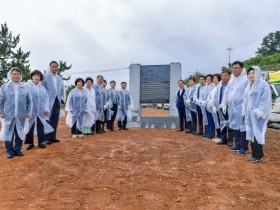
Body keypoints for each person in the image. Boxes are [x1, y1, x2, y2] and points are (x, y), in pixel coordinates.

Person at [0, 67, 32, 158]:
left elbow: (29, 101)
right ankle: (9, 150)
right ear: (10, 75)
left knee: (19, 132)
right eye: (14, 74)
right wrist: (1, 112)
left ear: (20, 76)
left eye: (18, 74)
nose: (16, 76)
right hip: (8, 114)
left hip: (21, 114)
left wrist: (28, 112)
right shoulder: (5, 86)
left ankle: (18, 149)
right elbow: (1, 101)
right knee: (8, 132)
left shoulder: (25, 87)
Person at [242, 66, 271, 162]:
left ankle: (257, 156)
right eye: (249, 73)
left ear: (257, 73)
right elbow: (245, 101)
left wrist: (260, 112)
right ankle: (257, 154)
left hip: (259, 115)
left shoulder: (263, 84)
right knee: (251, 134)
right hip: (250, 116)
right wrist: (244, 112)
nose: (250, 75)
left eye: (253, 73)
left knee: (257, 134)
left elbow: (265, 100)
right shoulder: (248, 86)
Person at [220, 61, 249, 154]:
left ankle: (244, 146)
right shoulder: (231, 80)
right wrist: (224, 104)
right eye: (233, 68)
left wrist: (246, 107)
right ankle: (237, 145)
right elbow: (226, 93)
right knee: (234, 125)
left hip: (242, 106)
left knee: (243, 126)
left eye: (237, 68)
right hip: (232, 107)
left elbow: (248, 93)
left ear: (241, 68)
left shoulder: (246, 79)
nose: (235, 69)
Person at [25, 70, 54, 150]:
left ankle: (41, 142)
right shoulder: (27, 86)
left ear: (40, 78)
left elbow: (46, 98)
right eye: (35, 75)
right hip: (30, 111)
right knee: (30, 126)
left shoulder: (42, 88)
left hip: (40, 111)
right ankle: (30, 143)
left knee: (40, 126)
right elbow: (24, 98)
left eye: (38, 76)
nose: (36, 77)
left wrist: (46, 108)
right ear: (32, 77)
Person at [41, 61, 65, 144]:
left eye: (56, 67)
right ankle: (46, 137)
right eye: (52, 66)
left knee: (55, 119)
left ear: (57, 68)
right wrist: (43, 101)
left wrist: (62, 100)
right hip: (48, 100)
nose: (54, 68)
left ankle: (53, 136)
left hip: (57, 100)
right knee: (47, 118)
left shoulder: (59, 78)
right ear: (50, 67)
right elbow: (42, 88)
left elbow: (62, 89)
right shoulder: (45, 77)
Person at [216, 71, 232, 146]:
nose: (223, 77)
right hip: (221, 107)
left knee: (230, 123)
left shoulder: (231, 84)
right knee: (222, 123)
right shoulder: (220, 85)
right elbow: (217, 96)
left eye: (225, 75)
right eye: (222, 76)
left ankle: (230, 140)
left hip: (230, 107)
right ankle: (223, 138)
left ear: (229, 76)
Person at [207, 73, 222, 142]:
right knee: (216, 122)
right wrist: (211, 104)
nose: (214, 80)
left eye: (215, 78)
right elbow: (211, 97)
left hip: (219, 108)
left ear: (219, 79)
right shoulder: (214, 88)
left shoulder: (220, 87)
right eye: (213, 79)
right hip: (214, 108)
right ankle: (218, 136)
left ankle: (222, 137)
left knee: (220, 122)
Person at [199, 74, 215, 139]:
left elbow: (212, 96)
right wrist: (201, 101)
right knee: (206, 120)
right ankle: (207, 133)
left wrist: (206, 102)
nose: (208, 80)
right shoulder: (205, 87)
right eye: (207, 78)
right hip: (204, 106)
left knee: (211, 120)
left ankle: (211, 134)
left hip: (210, 106)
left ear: (211, 79)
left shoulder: (213, 86)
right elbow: (201, 95)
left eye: (209, 78)